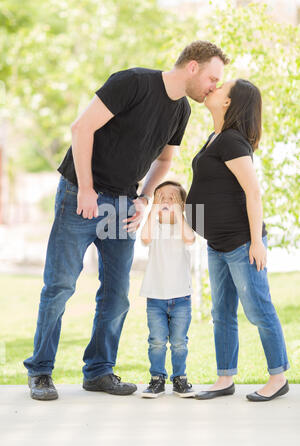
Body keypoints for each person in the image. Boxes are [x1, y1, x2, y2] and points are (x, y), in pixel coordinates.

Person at [23, 40, 229, 401]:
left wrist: (145, 197)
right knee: (59, 287)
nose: (214, 86)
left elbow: (164, 162)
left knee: (116, 295)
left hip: (123, 205)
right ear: (192, 67)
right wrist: (86, 189)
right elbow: (81, 129)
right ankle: (40, 371)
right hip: (79, 196)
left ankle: (99, 372)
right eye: (212, 78)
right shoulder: (131, 82)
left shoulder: (181, 111)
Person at [186, 78, 290, 402]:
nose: (212, 89)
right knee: (222, 313)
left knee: (258, 309)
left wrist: (257, 243)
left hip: (242, 244)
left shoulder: (232, 141)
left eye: (220, 89)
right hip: (217, 244)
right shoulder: (214, 138)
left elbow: (252, 191)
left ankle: (278, 377)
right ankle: (224, 378)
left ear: (229, 103)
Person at [140, 181, 196, 398]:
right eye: (161, 196)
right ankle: (157, 379)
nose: (166, 199)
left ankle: (180, 379)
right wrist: (154, 208)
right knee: (156, 341)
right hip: (155, 297)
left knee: (179, 342)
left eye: (172, 197)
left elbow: (189, 238)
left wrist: (178, 212)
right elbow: (145, 238)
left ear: (182, 204)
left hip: (181, 297)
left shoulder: (184, 226)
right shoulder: (153, 226)